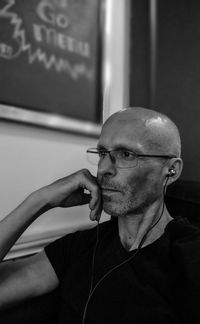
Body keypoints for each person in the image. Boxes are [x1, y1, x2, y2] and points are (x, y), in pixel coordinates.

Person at [0, 106, 199, 324]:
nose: (104, 168)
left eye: (126, 154)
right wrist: (40, 200)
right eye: (103, 153)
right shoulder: (79, 247)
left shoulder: (190, 255)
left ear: (171, 171)